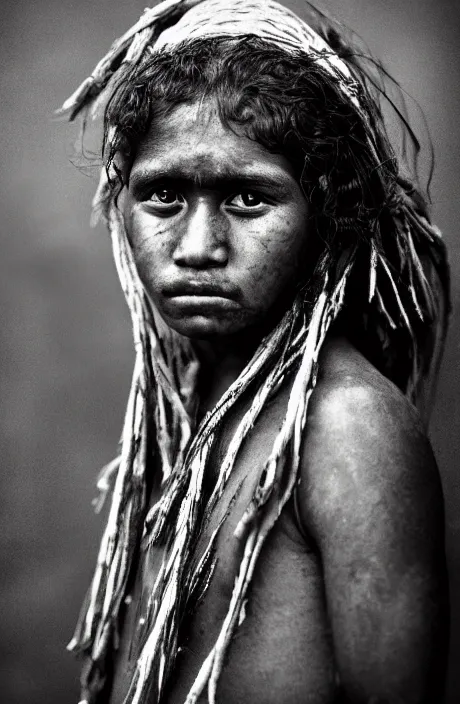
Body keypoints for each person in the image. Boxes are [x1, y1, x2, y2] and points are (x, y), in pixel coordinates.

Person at [58, 1, 450, 702]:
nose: (198, 248)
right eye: (165, 194)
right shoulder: (190, 415)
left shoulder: (348, 428)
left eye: (247, 197)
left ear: (328, 215)